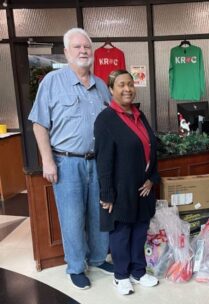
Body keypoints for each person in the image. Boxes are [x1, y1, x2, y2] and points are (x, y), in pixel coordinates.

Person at [28, 28, 113, 289]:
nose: (83, 51)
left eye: (87, 47)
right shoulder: (52, 82)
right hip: (67, 162)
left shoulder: (100, 85)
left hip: (97, 162)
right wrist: (47, 161)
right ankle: (76, 266)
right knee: (72, 217)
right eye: (77, 47)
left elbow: (111, 123)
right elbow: (39, 124)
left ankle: (98, 258)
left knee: (99, 213)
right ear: (66, 53)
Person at [94, 70, 160, 295]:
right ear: (111, 90)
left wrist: (152, 178)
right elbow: (103, 160)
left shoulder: (140, 115)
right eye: (121, 85)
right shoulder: (106, 119)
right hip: (121, 189)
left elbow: (152, 147)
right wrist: (107, 194)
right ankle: (121, 275)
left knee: (140, 231)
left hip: (143, 188)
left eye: (130, 84)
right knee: (121, 233)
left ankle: (138, 271)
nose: (127, 89)